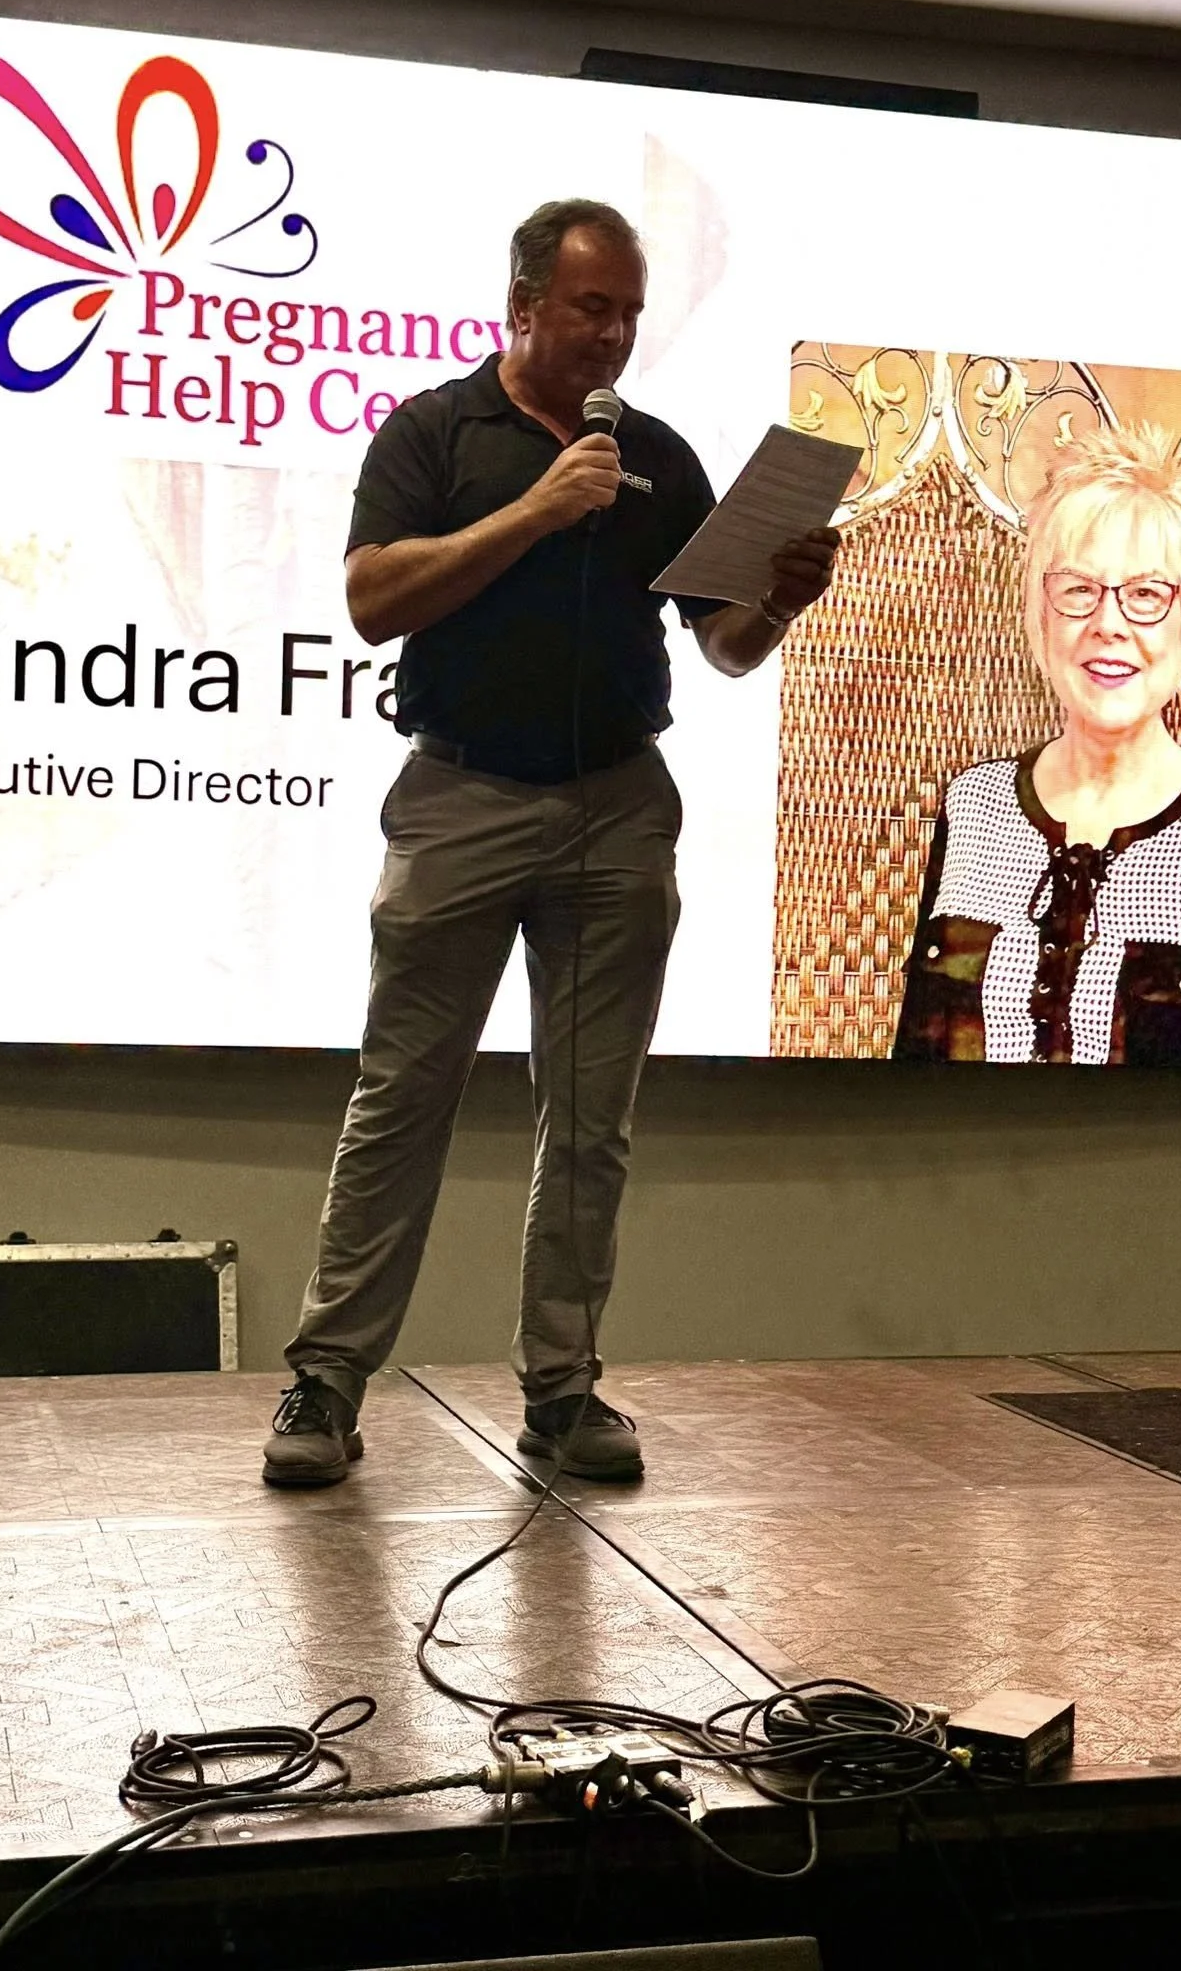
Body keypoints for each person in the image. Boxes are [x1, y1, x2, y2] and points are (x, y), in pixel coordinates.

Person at [263, 198, 837, 1486]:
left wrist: (777, 605)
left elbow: (723, 646)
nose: (616, 334)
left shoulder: (660, 458)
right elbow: (370, 601)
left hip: (618, 806)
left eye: (630, 310)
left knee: (592, 1121)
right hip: (460, 798)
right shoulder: (433, 431)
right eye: (593, 307)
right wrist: (532, 510)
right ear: (522, 305)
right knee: (401, 1101)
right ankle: (326, 1383)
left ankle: (565, 1394)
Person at [893, 423, 1181, 1069]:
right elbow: (906, 1080)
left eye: (1147, 595)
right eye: (1078, 590)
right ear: (1040, 616)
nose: (1109, 624)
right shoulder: (971, 808)